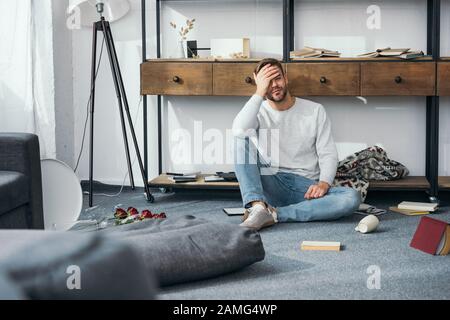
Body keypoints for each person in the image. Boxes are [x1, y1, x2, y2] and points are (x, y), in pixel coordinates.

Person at [232, 58, 361, 231]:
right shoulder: (258, 111)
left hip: (305, 187)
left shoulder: (315, 110)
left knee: (351, 198)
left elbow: (327, 153)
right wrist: (259, 92)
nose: (274, 85)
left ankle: (274, 214)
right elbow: (239, 130)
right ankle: (257, 207)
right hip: (272, 180)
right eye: (267, 82)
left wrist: (324, 183)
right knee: (241, 138)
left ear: (285, 78)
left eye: (277, 78)